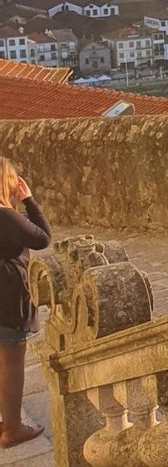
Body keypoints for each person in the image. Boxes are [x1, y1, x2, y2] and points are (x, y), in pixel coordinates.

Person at [0, 157, 49, 448]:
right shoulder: (7, 217)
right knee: (11, 362)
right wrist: (29, 200)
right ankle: (13, 428)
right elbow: (43, 238)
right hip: (6, 294)